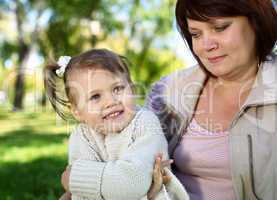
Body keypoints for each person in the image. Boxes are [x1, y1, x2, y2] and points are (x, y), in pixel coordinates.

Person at [146, 0, 277, 200]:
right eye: (196, 34)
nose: (207, 45)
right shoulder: (169, 91)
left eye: (220, 28)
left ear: (256, 22)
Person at [43, 49, 189, 200]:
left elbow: (133, 184)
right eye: (95, 96)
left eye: (118, 89)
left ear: (132, 89)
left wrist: (76, 178)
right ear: (77, 111)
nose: (111, 101)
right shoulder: (83, 136)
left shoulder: (145, 123)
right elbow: (83, 196)